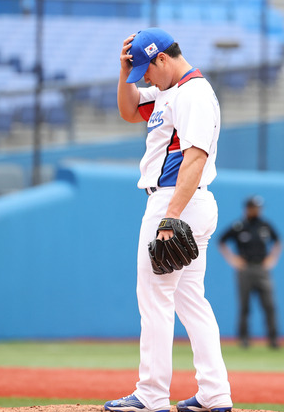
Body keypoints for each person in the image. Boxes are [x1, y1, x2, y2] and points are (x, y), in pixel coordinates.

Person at [103, 28, 232, 412]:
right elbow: (129, 112)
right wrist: (123, 68)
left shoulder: (192, 92)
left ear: (163, 58)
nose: (143, 77)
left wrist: (170, 216)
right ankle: (214, 393)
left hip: (175, 202)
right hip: (186, 204)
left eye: (146, 68)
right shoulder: (167, 91)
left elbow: (196, 156)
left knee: (154, 297)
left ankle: (151, 393)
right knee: (191, 299)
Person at [219, 195, 283, 349]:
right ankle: (244, 339)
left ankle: (273, 339)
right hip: (245, 269)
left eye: (259, 208)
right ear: (248, 208)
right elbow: (221, 241)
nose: (257, 211)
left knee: (269, 305)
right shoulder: (239, 226)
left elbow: (278, 240)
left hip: (261, 268)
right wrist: (233, 260)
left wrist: (272, 259)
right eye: (254, 208)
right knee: (244, 305)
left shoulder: (265, 225)